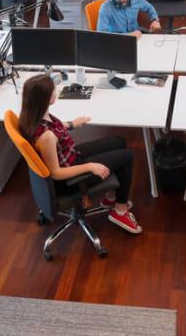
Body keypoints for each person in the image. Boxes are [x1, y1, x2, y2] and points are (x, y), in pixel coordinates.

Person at [18, 74, 142, 234]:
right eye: (53, 90)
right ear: (46, 99)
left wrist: (71, 124)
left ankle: (111, 198)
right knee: (127, 157)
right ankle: (120, 211)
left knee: (118, 141)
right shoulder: (46, 138)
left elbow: (55, 127)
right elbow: (56, 173)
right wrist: (90, 166)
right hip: (70, 180)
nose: (56, 91)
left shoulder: (31, 117)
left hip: (71, 156)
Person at [97, 0, 161, 38]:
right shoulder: (105, 8)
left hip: (137, 36)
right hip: (117, 40)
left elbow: (149, 7)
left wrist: (155, 20)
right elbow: (102, 34)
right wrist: (129, 35)